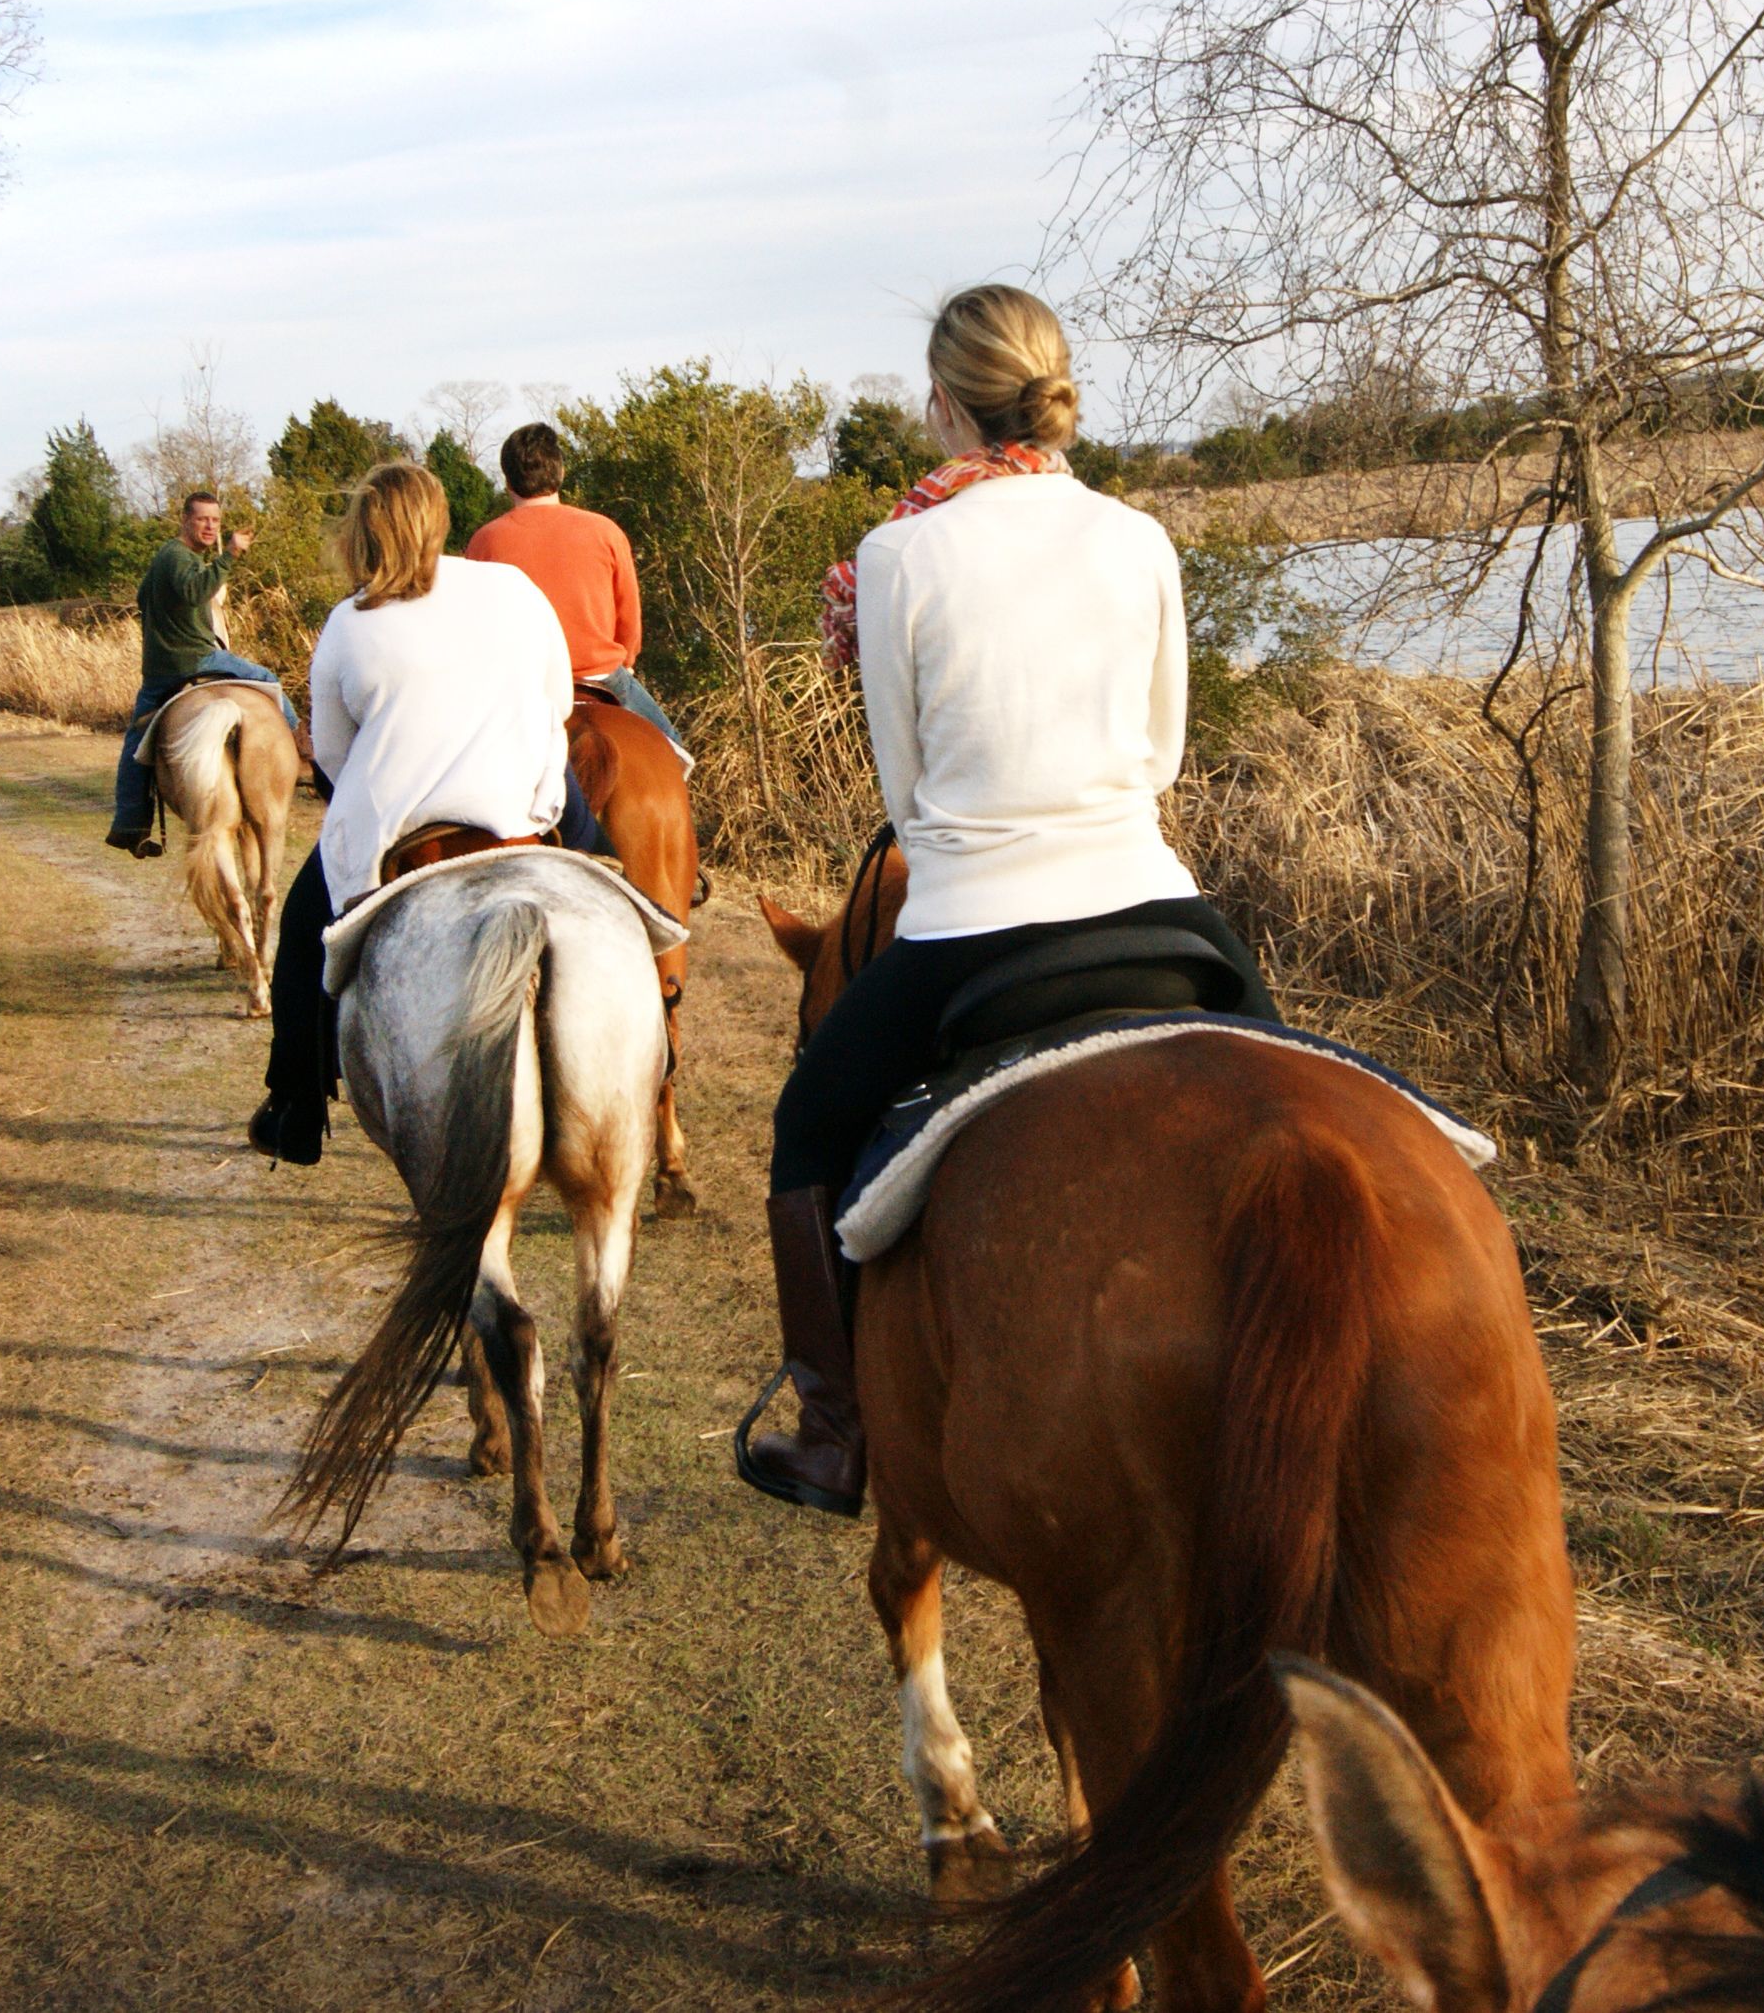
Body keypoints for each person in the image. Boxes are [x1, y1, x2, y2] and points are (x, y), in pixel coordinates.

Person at [737, 283, 1277, 1518]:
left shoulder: (897, 552)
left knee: (809, 1126)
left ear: (941, 401)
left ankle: (830, 1428)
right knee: (1307, 1087)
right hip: (1152, 897)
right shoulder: (1136, 534)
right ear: (1055, 386)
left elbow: (907, 788)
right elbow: (1162, 755)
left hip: (969, 915)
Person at [249, 461, 578, 1168]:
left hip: (404, 826)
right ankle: (662, 1022)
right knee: (609, 871)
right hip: (519, 803)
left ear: (364, 528)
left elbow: (332, 755)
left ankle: (298, 1107)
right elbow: (560, 702)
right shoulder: (512, 586)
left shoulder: (350, 620)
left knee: (304, 931)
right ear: (441, 518)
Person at [464, 423, 686, 752]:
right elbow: (629, 615)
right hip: (600, 676)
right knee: (674, 750)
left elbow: (476, 624)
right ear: (561, 472)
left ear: (508, 480)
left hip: (521, 683)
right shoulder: (605, 531)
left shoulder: (484, 540)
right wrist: (628, 657)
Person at [106, 490, 277, 854]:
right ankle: (303, 754)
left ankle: (130, 823)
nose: (210, 526)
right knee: (268, 680)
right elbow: (194, 591)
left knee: (137, 743)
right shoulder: (177, 557)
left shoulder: (169, 558)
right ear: (185, 519)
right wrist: (230, 554)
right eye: (202, 519)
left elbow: (143, 598)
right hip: (195, 660)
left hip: (159, 670)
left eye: (215, 520)